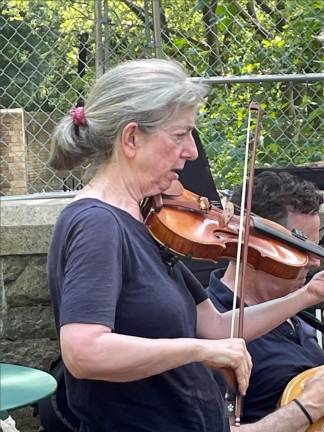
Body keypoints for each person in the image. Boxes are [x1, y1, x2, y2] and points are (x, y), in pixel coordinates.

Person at [47, 58, 324, 432]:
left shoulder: (146, 221)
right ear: (131, 138)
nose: (192, 151)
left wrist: (306, 295)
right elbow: (84, 351)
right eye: (180, 135)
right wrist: (197, 351)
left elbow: (214, 327)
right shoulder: (97, 224)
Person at [207, 171, 324, 432]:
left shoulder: (296, 315)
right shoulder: (209, 326)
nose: (315, 261)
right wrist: (305, 408)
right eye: (302, 248)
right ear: (257, 245)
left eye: (317, 248)